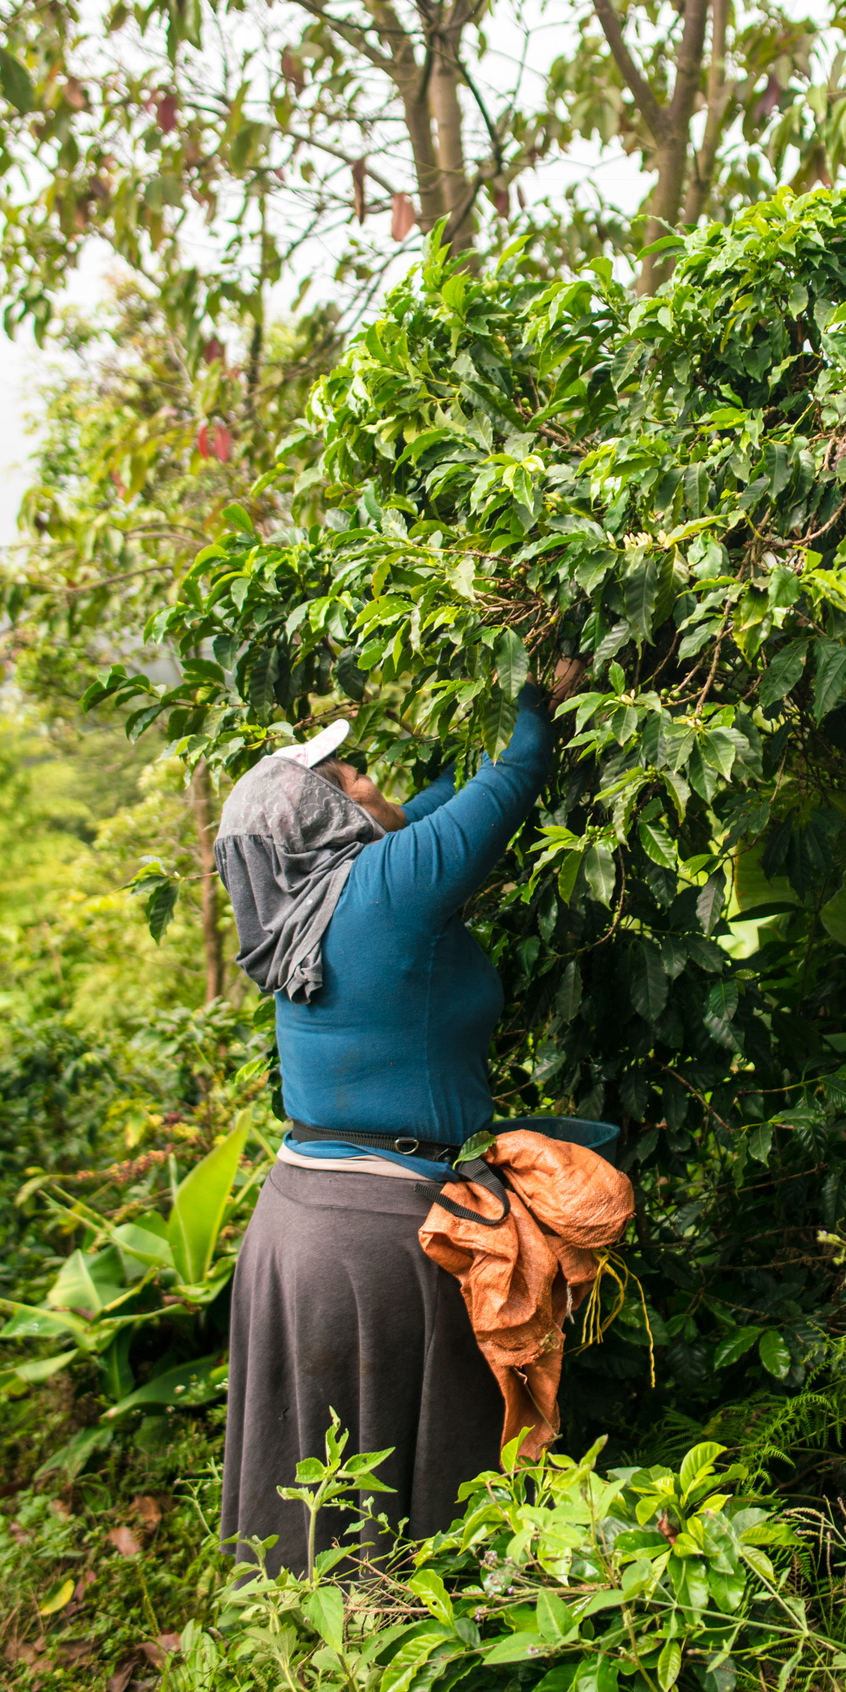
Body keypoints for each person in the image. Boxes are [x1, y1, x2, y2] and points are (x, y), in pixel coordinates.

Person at [214, 664, 586, 1574]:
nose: (373, 782)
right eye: (351, 779)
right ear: (325, 819)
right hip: (382, 1236)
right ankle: (429, 1643)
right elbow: (507, 782)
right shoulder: (385, 888)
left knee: (327, 1463)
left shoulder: (303, 911)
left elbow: (429, 809)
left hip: (295, 1220)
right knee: (435, 1459)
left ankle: (318, 1639)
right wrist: (541, 694)